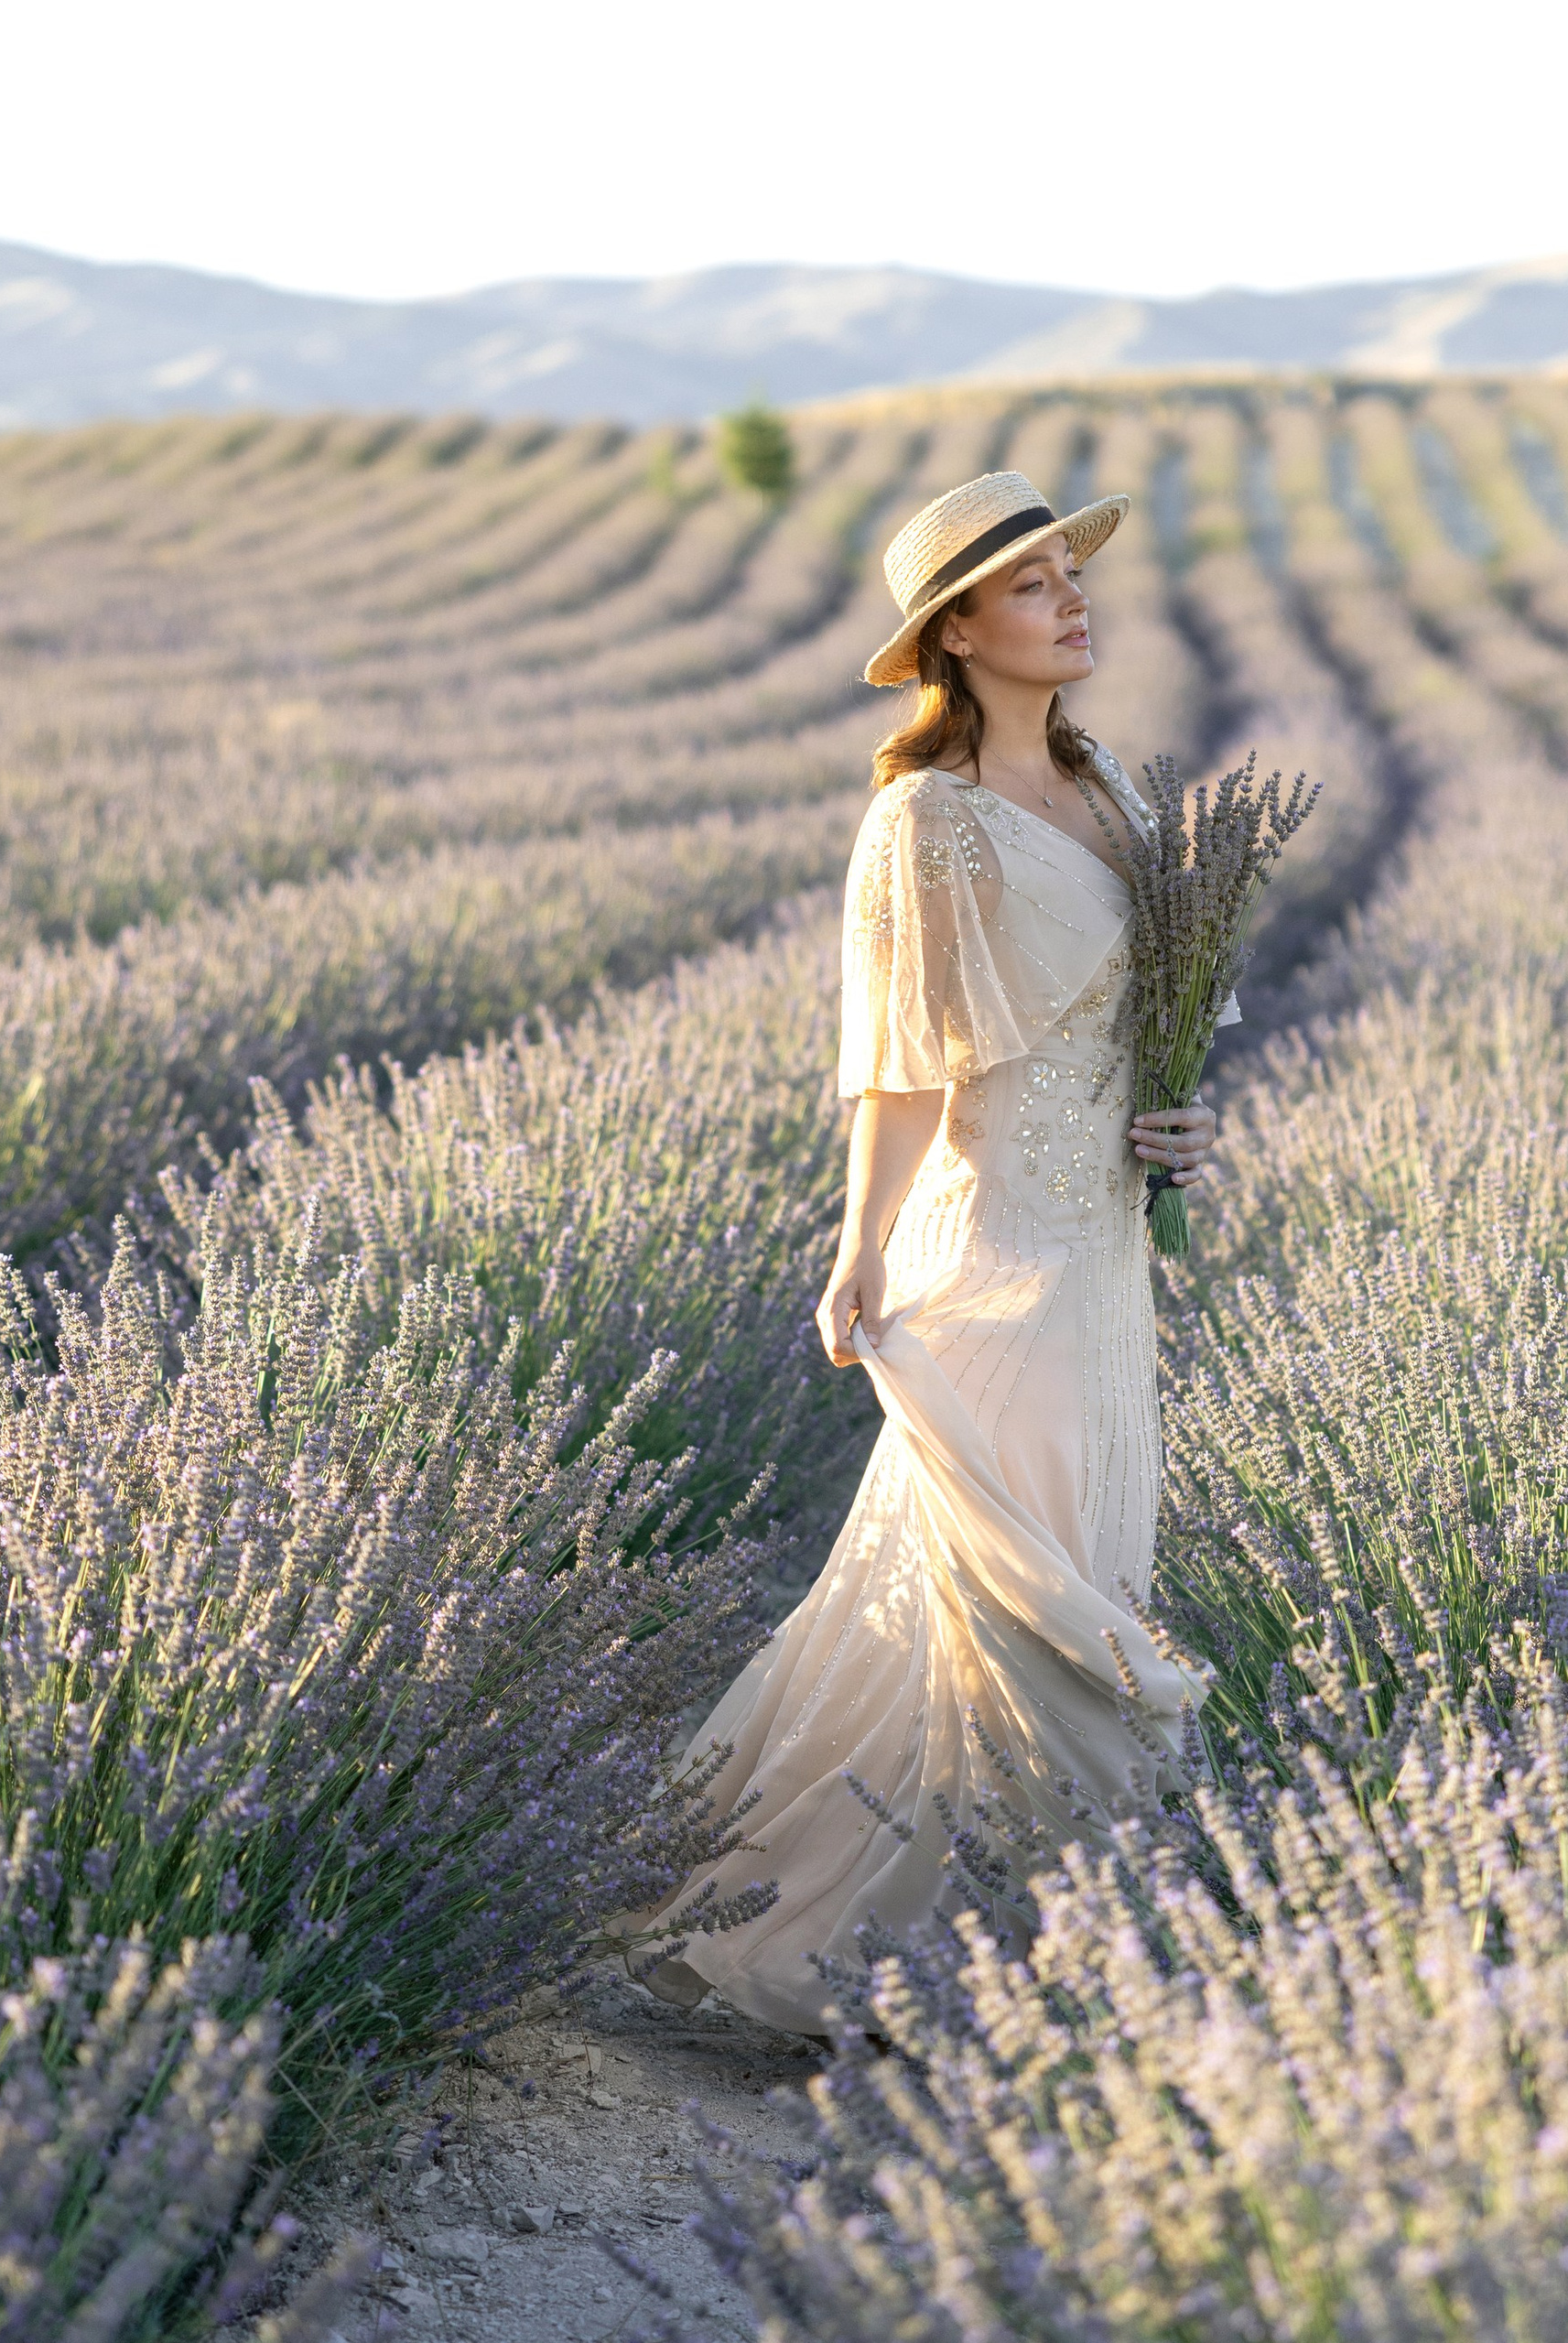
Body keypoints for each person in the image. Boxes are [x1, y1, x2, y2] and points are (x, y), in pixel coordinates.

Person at [630, 471, 1225, 2036]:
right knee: (994, 1594)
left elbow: (1156, 1038)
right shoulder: (922, 822)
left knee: (1076, 1565)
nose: (1071, 601)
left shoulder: (1120, 800)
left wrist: (1174, 1131)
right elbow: (901, 1065)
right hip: (997, 1256)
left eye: (1069, 576)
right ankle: (878, 1948)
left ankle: (1019, 1944)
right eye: (1032, 584)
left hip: (1103, 1263)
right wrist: (857, 1252)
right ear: (955, 631)